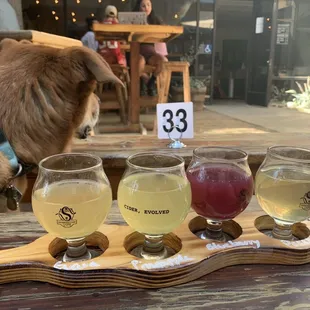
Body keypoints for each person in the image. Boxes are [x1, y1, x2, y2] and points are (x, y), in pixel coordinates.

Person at [133, 0, 168, 96]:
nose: (146, 8)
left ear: (151, 7)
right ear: (139, 8)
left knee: (163, 61)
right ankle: (146, 80)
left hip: (151, 53)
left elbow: (164, 32)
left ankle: (152, 81)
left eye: (148, 5)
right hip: (136, 51)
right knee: (140, 62)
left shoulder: (155, 20)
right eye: (143, 6)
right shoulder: (133, 20)